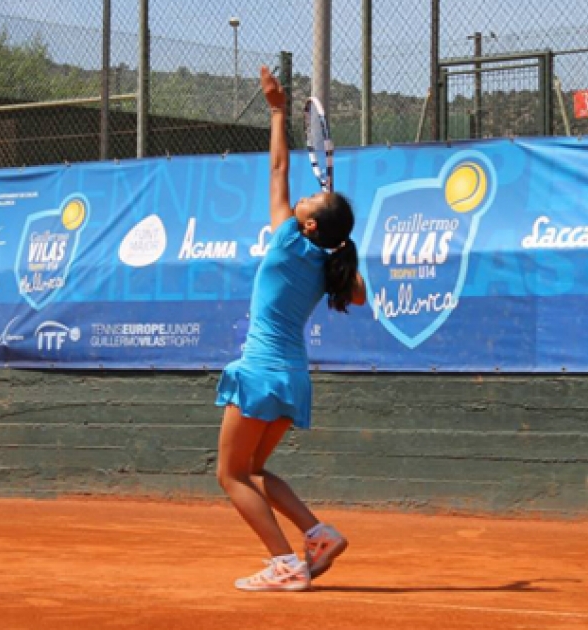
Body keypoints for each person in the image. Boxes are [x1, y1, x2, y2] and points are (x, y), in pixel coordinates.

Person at [214, 66, 367, 592]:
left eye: (306, 203)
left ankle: (284, 562)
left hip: (259, 373)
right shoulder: (331, 266)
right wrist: (344, 247)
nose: (297, 198)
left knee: (231, 475)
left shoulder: (285, 241)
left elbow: (278, 168)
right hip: (293, 377)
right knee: (254, 469)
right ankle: (318, 534)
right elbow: (361, 292)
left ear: (306, 225)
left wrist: (277, 110)